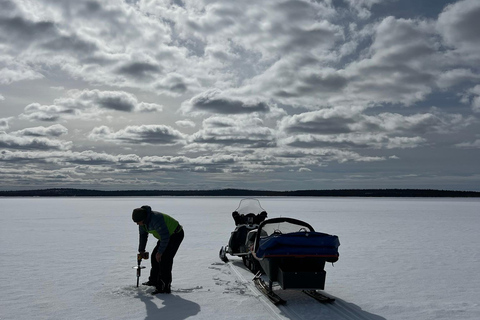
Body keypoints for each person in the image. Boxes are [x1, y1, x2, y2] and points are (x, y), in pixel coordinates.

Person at [132, 205, 184, 294]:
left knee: (164, 259)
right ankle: (154, 281)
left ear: (143, 219)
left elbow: (165, 237)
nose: (137, 224)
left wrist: (160, 252)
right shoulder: (143, 223)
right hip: (165, 237)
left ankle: (164, 287)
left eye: (138, 222)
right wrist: (141, 250)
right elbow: (143, 236)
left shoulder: (156, 219)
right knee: (154, 257)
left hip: (175, 235)